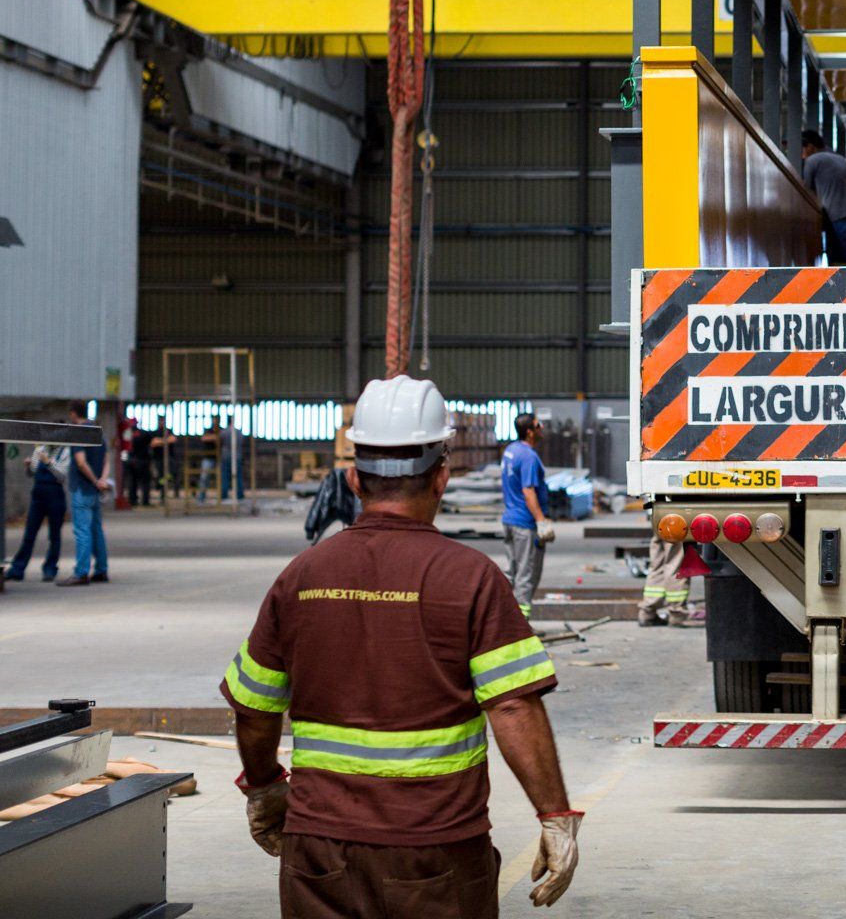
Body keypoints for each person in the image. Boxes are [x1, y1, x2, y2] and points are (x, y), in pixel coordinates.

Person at [221, 375, 581, 916]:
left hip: (318, 847)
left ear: (353, 479)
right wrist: (554, 816)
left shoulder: (301, 575)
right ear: (442, 477)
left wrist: (266, 786)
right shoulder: (472, 578)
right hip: (434, 848)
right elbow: (512, 704)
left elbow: (253, 707)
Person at [501, 413, 555, 617]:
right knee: (527, 575)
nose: (542, 427)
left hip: (509, 520)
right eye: (538, 425)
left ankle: (505, 620)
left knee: (512, 573)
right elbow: (528, 490)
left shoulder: (511, 450)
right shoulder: (529, 457)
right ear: (530, 432)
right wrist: (541, 520)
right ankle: (520, 628)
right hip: (525, 524)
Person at [60, 402, 109, 586]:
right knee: (97, 530)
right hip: (96, 491)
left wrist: (94, 480)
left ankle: (81, 572)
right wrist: (102, 481)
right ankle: (101, 570)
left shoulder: (78, 433)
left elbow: (80, 462)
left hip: (82, 488)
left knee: (82, 531)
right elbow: (106, 460)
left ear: (73, 414)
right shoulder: (97, 431)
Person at [7, 443, 69, 582]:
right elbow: (33, 472)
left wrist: (48, 463)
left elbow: (62, 476)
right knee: (29, 534)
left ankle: (50, 568)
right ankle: (17, 569)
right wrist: (28, 466)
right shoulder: (40, 449)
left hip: (55, 495)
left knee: (54, 536)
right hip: (38, 495)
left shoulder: (65, 452)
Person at [800, 129, 846, 265]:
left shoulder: (812, 160)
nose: (802, 156)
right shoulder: (841, 159)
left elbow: (805, 192)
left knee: (837, 271)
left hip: (836, 222)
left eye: (802, 150)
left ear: (810, 146)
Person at [636, 531, 695, 627]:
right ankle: (677, 613)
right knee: (676, 562)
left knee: (658, 564)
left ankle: (647, 612)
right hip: (677, 521)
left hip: (658, 519)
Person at [124, 419, 155, 508]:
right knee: (145, 482)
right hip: (142, 461)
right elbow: (151, 443)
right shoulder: (144, 433)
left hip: (131, 460)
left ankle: (132, 500)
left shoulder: (127, 434)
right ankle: (145, 501)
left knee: (132, 482)